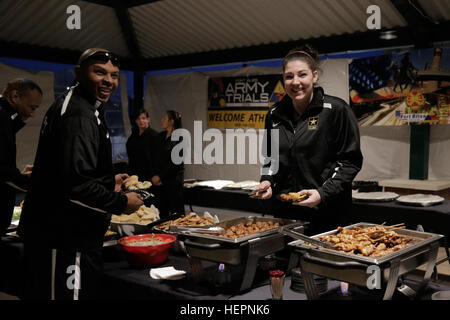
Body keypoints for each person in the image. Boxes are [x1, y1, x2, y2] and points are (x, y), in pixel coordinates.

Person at [17, 48, 143, 300]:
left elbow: (67, 171)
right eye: (100, 72)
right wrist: (121, 202)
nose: (109, 81)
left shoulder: (82, 105)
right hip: (64, 237)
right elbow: (76, 187)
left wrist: (108, 180)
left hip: (71, 235)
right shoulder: (79, 114)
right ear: (78, 73)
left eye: (114, 75)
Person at [257, 44, 363, 235]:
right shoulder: (274, 115)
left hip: (327, 215)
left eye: (302, 75)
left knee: (321, 264)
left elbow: (350, 162)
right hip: (286, 215)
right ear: (283, 80)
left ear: (314, 76)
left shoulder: (336, 110)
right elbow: (270, 159)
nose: (295, 82)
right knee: (284, 264)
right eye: (289, 76)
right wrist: (267, 181)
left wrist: (323, 194)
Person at [0, 79, 43, 237]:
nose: (32, 114)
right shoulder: (2, 119)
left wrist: (19, 176)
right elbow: (4, 173)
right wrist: (38, 182)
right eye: (32, 107)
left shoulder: (6, 120)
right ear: (14, 96)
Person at [151, 110, 185, 217]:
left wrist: (161, 177)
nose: (162, 120)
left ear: (171, 121)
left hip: (172, 181)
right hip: (159, 182)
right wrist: (154, 175)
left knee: (176, 213)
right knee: (161, 212)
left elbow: (176, 163)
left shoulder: (180, 138)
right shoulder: (160, 137)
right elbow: (154, 158)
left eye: (164, 119)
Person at [126, 108, 158, 182]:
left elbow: (158, 159)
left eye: (143, 118)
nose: (141, 121)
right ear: (136, 121)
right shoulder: (133, 137)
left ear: (148, 120)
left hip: (149, 175)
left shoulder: (154, 136)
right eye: (138, 119)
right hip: (134, 174)